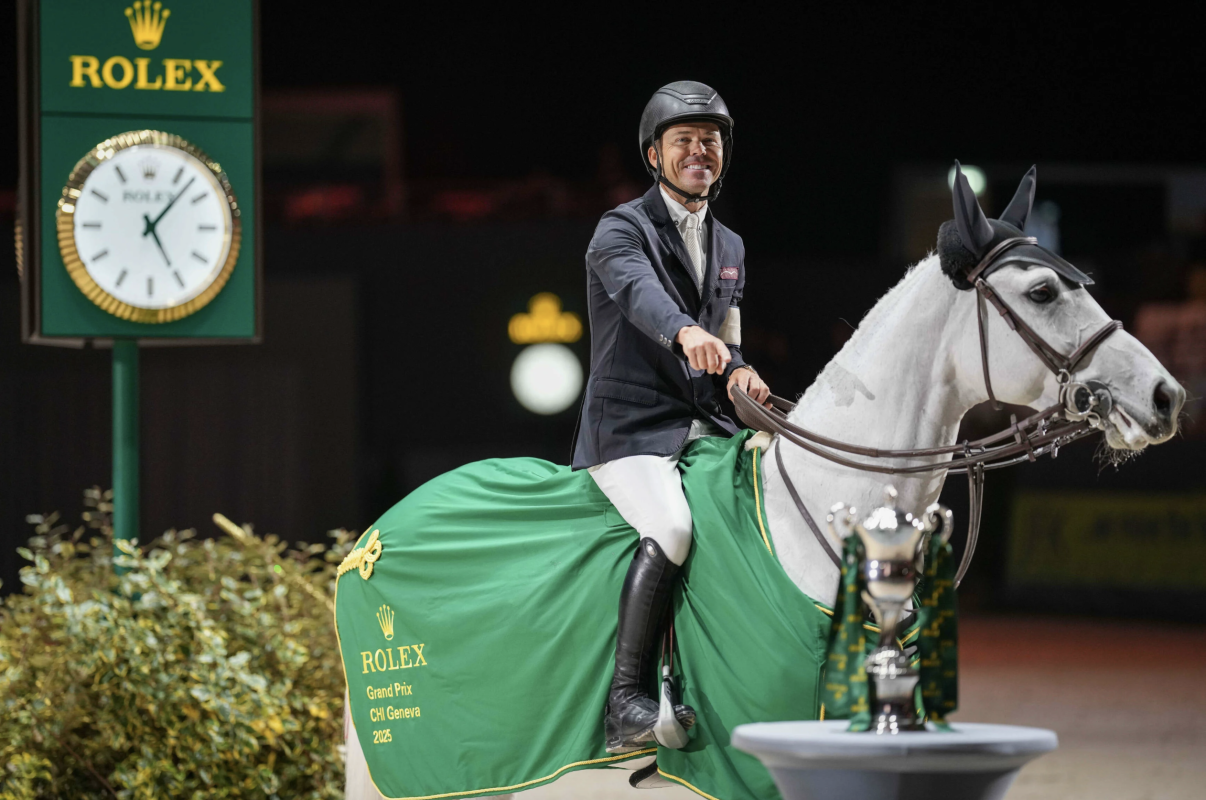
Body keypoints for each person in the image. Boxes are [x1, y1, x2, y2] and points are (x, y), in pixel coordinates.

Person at [571, 81, 771, 753]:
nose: (699, 152)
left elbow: (729, 330)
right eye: (684, 141)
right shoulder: (619, 229)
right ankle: (625, 703)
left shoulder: (732, 244)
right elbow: (643, 296)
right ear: (654, 154)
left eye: (710, 142)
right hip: (628, 429)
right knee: (673, 526)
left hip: (705, 427)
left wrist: (739, 366)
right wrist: (687, 334)